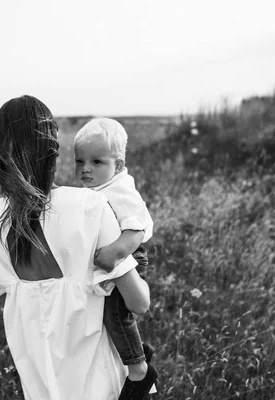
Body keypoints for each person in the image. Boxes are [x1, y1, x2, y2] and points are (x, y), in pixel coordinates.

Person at [0, 95, 152, 400]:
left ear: (0, 153)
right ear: (53, 152)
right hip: (98, 379)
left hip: (40, 377)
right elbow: (138, 303)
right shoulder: (89, 206)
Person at [74, 118, 158, 399]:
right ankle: (139, 350)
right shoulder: (100, 186)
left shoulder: (120, 189)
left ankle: (139, 369)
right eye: (80, 161)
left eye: (97, 162)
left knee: (116, 314)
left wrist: (116, 253)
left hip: (129, 254)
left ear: (118, 165)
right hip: (118, 256)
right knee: (109, 313)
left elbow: (137, 229)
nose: (86, 168)